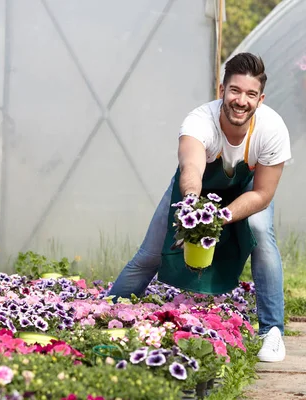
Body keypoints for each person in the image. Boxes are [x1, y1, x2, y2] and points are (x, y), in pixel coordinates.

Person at [108, 52, 290, 363]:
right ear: (222, 90)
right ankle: (107, 312)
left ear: (260, 99)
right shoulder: (199, 120)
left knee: (260, 230)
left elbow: (262, 193)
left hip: (247, 190)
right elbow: (191, 167)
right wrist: (192, 203)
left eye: (250, 94)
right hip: (197, 189)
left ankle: (271, 332)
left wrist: (221, 217)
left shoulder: (272, 129)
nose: (241, 100)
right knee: (152, 252)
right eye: (234, 91)